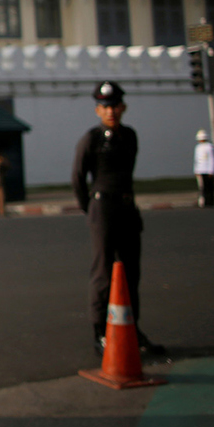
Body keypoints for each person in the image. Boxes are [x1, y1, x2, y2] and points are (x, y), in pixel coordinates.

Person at [71, 81, 163, 356]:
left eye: (115, 106)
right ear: (98, 110)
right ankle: (100, 331)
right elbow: (78, 177)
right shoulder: (91, 139)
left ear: (123, 108)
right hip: (103, 208)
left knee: (131, 271)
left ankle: (132, 328)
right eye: (105, 107)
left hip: (126, 207)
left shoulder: (129, 137)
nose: (111, 111)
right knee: (103, 272)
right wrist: (90, 209)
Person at [193, 129, 214, 208]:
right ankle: (205, 202)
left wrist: (211, 171)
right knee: (203, 188)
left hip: (207, 170)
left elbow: (211, 159)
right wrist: (196, 170)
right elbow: (196, 159)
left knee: (210, 187)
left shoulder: (209, 146)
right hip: (201, 170)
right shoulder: (198, 147)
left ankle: (211, 202)